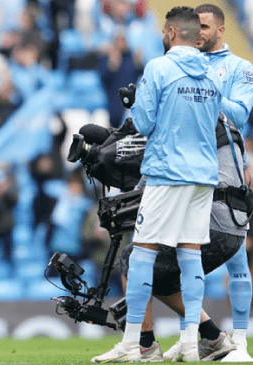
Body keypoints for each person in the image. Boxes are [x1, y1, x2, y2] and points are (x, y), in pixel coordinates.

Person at [92, 6, 222, 362]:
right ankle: (193, 344)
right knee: (189, 254)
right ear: (196, 35)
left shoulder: (160, 67)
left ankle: (136, 342)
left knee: (141, 256)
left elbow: (145, 123)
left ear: (168, 33)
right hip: (203, 175)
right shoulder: (212, 74)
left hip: (167, 173)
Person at [112, 116, 245, 362]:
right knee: (160, 280)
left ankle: (145, 345)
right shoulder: (226, 123)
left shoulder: (191, 117)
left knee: (133, 259)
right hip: (234, 227)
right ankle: (213, 337)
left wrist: (134, 194)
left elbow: (167, 165)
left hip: (211, 222)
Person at [193, 5, 253, 361]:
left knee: (236, 260)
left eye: (204, 26)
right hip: (187, 172)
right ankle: (193, 337)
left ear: (222, 29)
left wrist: (202, 88)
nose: (197, 32)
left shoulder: (242, 69)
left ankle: (242, 342)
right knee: (185, 255)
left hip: (226, 171)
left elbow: (241, 114)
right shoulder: (184, 65)